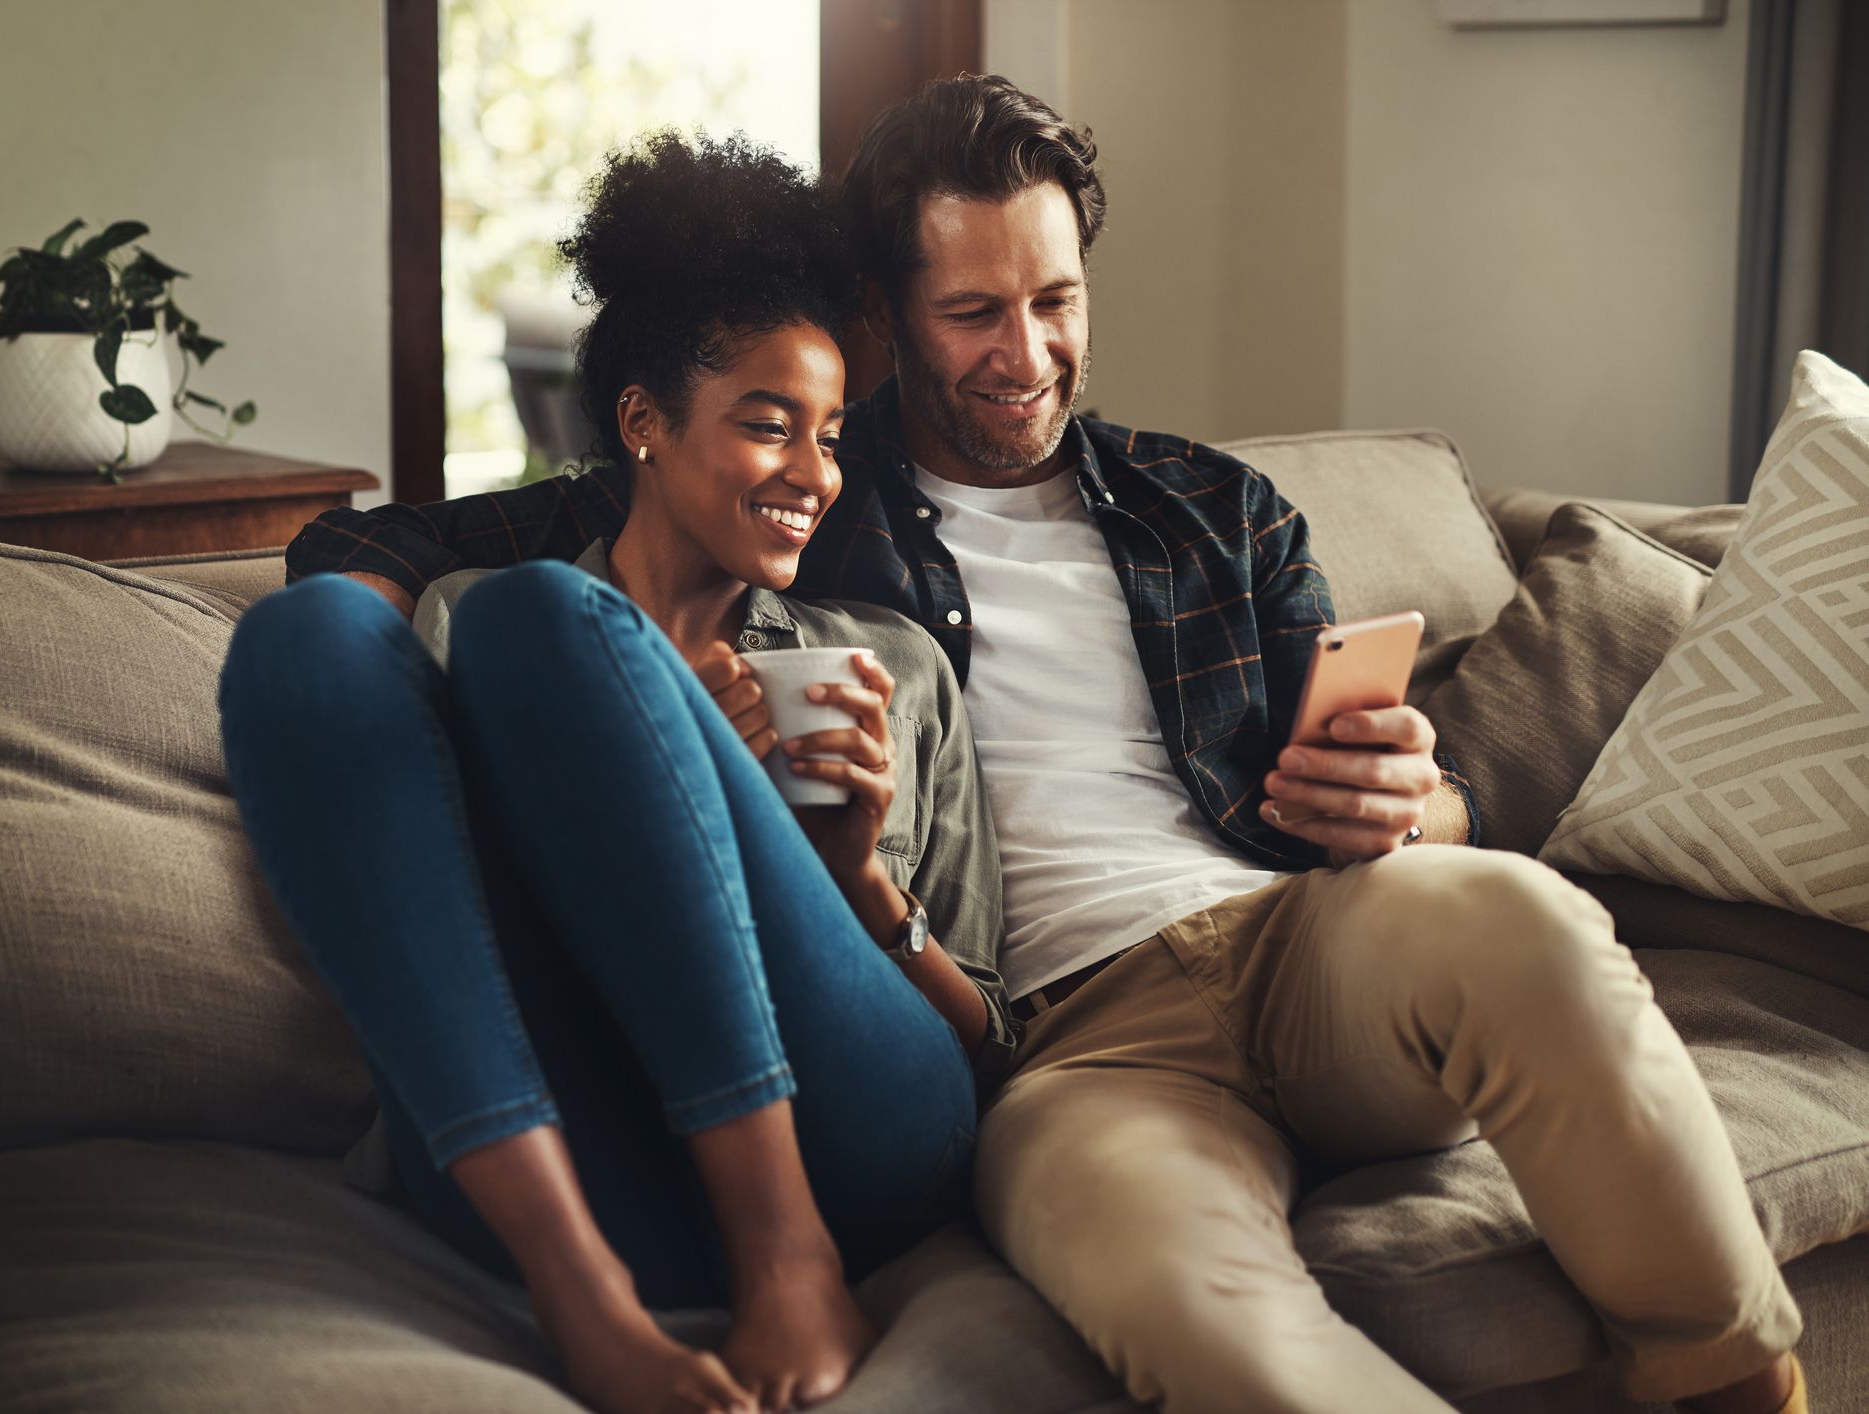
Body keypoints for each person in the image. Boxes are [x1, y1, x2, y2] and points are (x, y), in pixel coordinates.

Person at [281, 79, 1807, 1414]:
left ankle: (1745, 1383)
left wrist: (1426, 798)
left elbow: (1400, 783)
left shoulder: (1212, 508)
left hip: (1309, 939)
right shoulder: (784, 477)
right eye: (972, 313)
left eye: (1054, 301)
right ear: (887, 314)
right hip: (1063, 1057)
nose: (1024, 352)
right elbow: (369, 545)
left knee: (1527, 919)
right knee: (1208, 1327)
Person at [220, 131, 1014, 1414]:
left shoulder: (894, 666)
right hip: (581, 1154)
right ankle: (581, 1298)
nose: (813, 473)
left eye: (827, 436)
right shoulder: (477, 620)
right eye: (768, 426)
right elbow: (442, 909)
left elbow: (990, 1045)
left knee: (545, 619)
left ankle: (786, 1254)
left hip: (851, 1137)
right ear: (643, 423)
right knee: (312, 634)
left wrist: (855, 875)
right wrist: (642, 738)